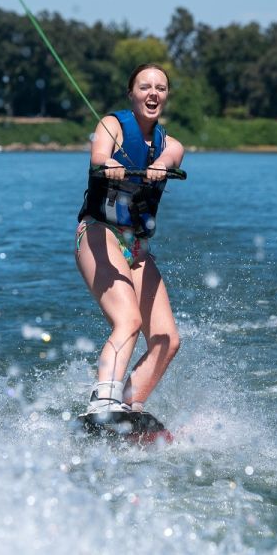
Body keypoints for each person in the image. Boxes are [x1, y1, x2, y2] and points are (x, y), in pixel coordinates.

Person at [74, 63, 185, 416]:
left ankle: (127, 404)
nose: (153, 93)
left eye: (161, 88)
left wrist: (161, 166)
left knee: (167, 340)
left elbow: (170, 157)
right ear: (131, 94)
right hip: (98, 232)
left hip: (136, 246)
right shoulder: (111, 125)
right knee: (129, 321)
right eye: (145, 87)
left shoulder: (173, 145)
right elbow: (98, 154)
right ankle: (101, 401)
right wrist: (108, 163)